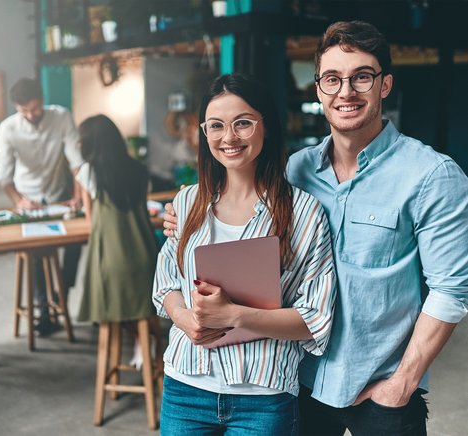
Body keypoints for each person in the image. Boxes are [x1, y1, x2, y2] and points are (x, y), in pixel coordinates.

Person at [164, 21, 468, 435]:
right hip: (299, 382)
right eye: (332, 79)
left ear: (385, 85)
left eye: (362, 76)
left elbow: (450, 291)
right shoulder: (297, 170)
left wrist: (402, 383)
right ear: (319, 90)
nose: (346, 92)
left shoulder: (431, 175)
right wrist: (182, 218)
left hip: (379, 386)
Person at [154, 73, 336, 435]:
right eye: (216, 126)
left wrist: (234, 316)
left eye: (243, 123)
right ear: (204, 133)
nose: (229, 137)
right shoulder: (187, 202)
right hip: (186, 386)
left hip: (263, 395)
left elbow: (314, 319)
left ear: (265, 126)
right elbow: (165, 285)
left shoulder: (304, 213)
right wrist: (183, 317)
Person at [0, 77, 84, 336]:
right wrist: (19, 201)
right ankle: (43, 310)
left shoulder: (61, 116)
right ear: (16, 108)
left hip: (58, 194)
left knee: (76, 242)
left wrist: (77, 195)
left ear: (42, 101)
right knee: (36, 252)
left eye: (34, 109)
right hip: (27, 198)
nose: (30, 115)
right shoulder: (8, 128)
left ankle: (62, 294)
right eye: (23, 111)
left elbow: (77, 162)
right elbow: (3, 177)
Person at [76, 114, 158, 367]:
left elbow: (92, 220)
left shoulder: (88, 172)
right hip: (146, 257)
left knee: (107, 302)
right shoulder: (139, 170)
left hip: (111, 260)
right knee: (139, 303)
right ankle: (146, 339)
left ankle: (140, 339)